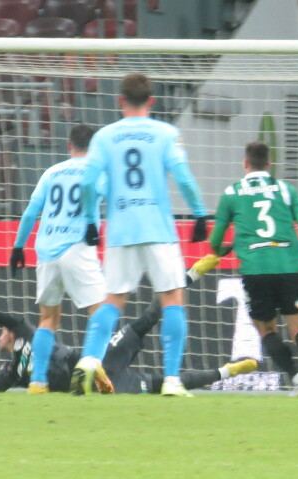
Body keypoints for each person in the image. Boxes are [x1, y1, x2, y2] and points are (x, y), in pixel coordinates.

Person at [76, 72, 210, 397]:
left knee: (113, 300)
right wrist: (199, 213)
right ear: (151, 101)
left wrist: (91, 221)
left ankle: (89, 360)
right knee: (172, 297)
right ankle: (172, 380)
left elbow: (88, 182)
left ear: (120, 100)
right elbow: (184, 177)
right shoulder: (165, 133)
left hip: (121, 229)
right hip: (157, 228)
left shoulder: (104, 137)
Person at [0, 297, 256, 394]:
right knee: (163, 384)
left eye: (0, 332)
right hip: (106, 382)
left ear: (10, 333)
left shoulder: (29, 333)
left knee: (144, 322)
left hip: (98, 362)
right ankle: (228, 370)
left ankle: (188, 277)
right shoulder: (13, 372)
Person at [210, 141, 298, 397]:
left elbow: (215, 241)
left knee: (266, 330)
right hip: (287, 265)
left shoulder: (232, 193)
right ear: (269, 165)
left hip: (256, 269)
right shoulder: (286, 190)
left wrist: (224, 249)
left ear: (245, 163)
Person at [0, 124, 110, 396]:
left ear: (69, 146)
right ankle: (90, 366)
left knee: (48, 318)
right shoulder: (97, 172)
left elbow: (30, 212)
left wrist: (18, 247)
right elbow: (99, 195)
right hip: (76, 245)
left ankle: (38, 382)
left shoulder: (52, 172)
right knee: (102, 312)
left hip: (46, 250)